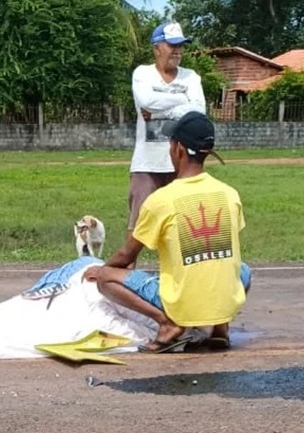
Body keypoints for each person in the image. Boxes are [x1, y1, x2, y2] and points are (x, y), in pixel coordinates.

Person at [83, 111, 250, 354]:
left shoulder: (162, 200)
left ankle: (168, 324)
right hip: (224, 300)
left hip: (183, 301)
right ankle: (220, 326)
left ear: (178, 149)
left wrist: (101, 269)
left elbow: (126, 257)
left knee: (107, 278)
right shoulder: (230, 194)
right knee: (244, 270)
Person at [127, 21, 207, 268]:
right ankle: (126, 272)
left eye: (181, 46)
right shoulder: (142, 73)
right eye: (172, 46)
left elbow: (200, 109)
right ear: (157, 48)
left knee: (184, 222)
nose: (177, 51)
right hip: (147, 162)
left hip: (182, 163)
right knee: (138, 222)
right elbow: (145, 100)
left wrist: (163, 109)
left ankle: (185, 274)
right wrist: (182, 101)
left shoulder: (191, 76)